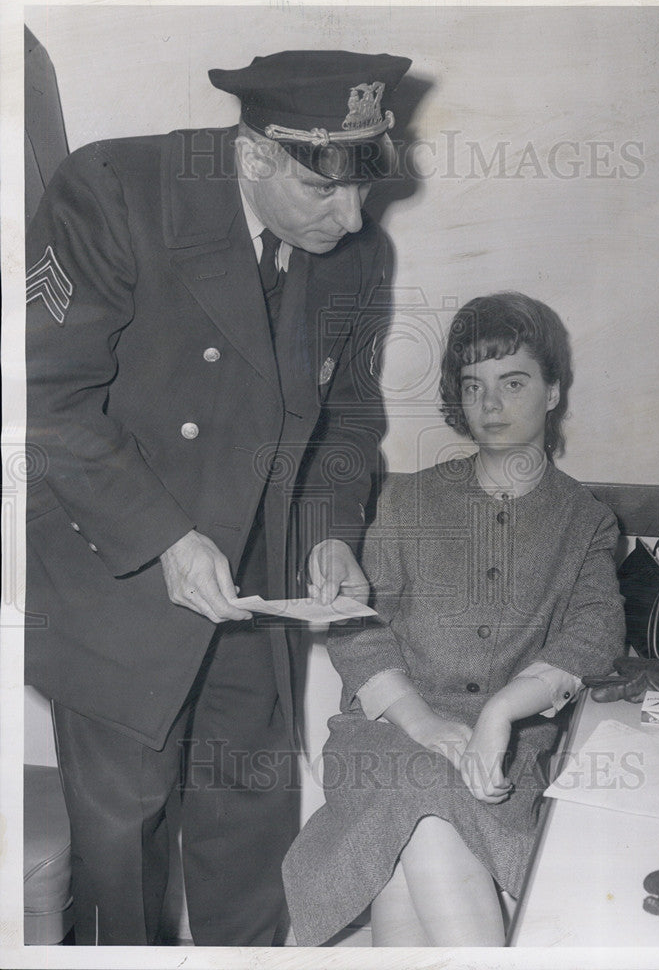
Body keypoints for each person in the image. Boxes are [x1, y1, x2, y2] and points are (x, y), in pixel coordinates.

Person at [24, 49, 411, 946]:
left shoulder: (355, 260)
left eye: (366, 188)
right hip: (114, 579)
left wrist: (329, 533)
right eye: (325, 189)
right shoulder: (116, 191)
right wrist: (164, 535)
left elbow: (347, 420)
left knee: (252, 830)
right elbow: (45, 397)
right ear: (254, 157)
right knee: (124, 849)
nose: (353, 218)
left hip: (253, 590)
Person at [282, 291, 626, 946]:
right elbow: (358, 628)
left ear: (553, 392)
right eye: (473, 386)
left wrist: (500, 712)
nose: (491, 405)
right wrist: (424, 722)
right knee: (426, 796)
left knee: (421, 839)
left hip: (507, 748)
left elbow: (596, 632)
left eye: (513, 382)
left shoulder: (585, 521)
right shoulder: (408, 500)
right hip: (387, 734)